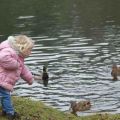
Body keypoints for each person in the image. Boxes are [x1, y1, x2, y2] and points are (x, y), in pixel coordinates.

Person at [0, 35, 39, 120]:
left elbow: (23, 70)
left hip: (5, 81)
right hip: (1, 79)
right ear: (22, 48)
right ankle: (11, 113)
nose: (31, 52)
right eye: (29, 50)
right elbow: (2, 57)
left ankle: (5, 110)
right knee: (5, 96)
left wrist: (30, 79)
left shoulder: (19, 58)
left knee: (4, 96)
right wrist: (15, 64)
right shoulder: (10, 51)